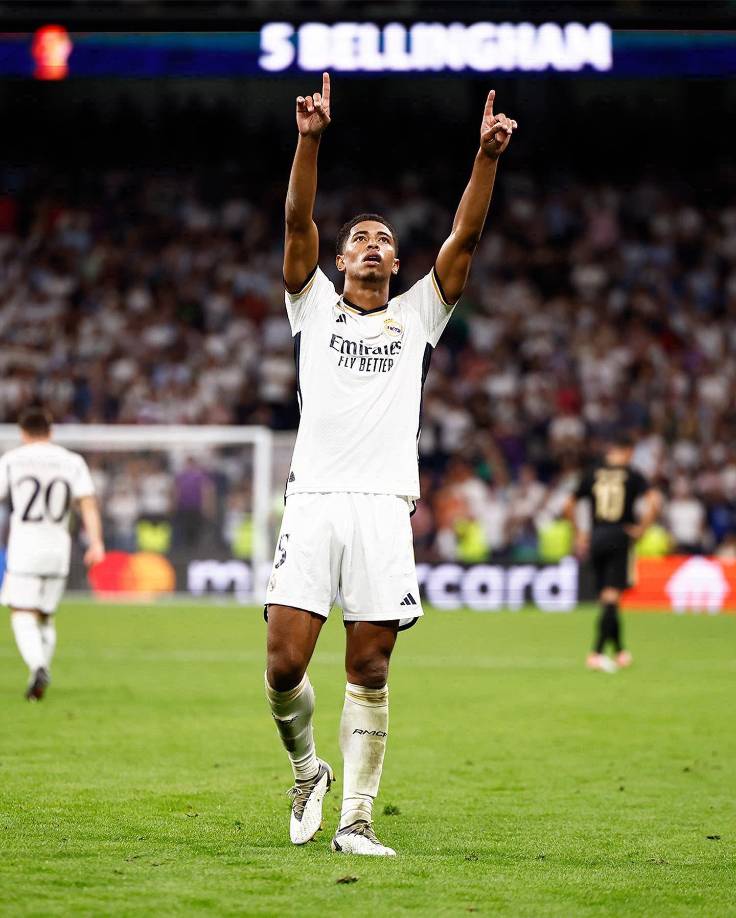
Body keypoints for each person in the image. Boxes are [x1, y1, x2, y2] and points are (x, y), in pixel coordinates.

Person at [264, 73, 516, 856]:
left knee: (369, 668)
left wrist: (486, 159)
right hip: (313, 499)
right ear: (340, 259)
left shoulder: (417, 316)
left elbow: (464, 238)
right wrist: (309, 141)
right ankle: (307, 770)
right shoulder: (311, 302)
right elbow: (296, 219)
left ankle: (357, 820)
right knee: (283, 666)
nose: (373, 244)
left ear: (397, 262)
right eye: (361, 238)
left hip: (382, 505)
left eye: (384, 240)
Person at [0, 407, 105, 700]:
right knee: (45, 616)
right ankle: (39, 678)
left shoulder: (11, 460)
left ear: (22, 433)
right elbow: (87, 504)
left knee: (22, 612)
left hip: (24, 548)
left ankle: (38, 667)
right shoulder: (72, 461)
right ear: (51, 431)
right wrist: (96, 542)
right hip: (58, 548)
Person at [564, 434, 659, 673]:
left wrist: (579, 533)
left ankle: (620, 651)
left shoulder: (592, 473)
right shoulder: (632, 474)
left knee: (608, 598)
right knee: (611, 597)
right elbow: (654, 501)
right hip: (619, 535)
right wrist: (642, 529)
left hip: (597, 536)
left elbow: (568, 505)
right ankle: (596, 653)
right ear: (627, 451)